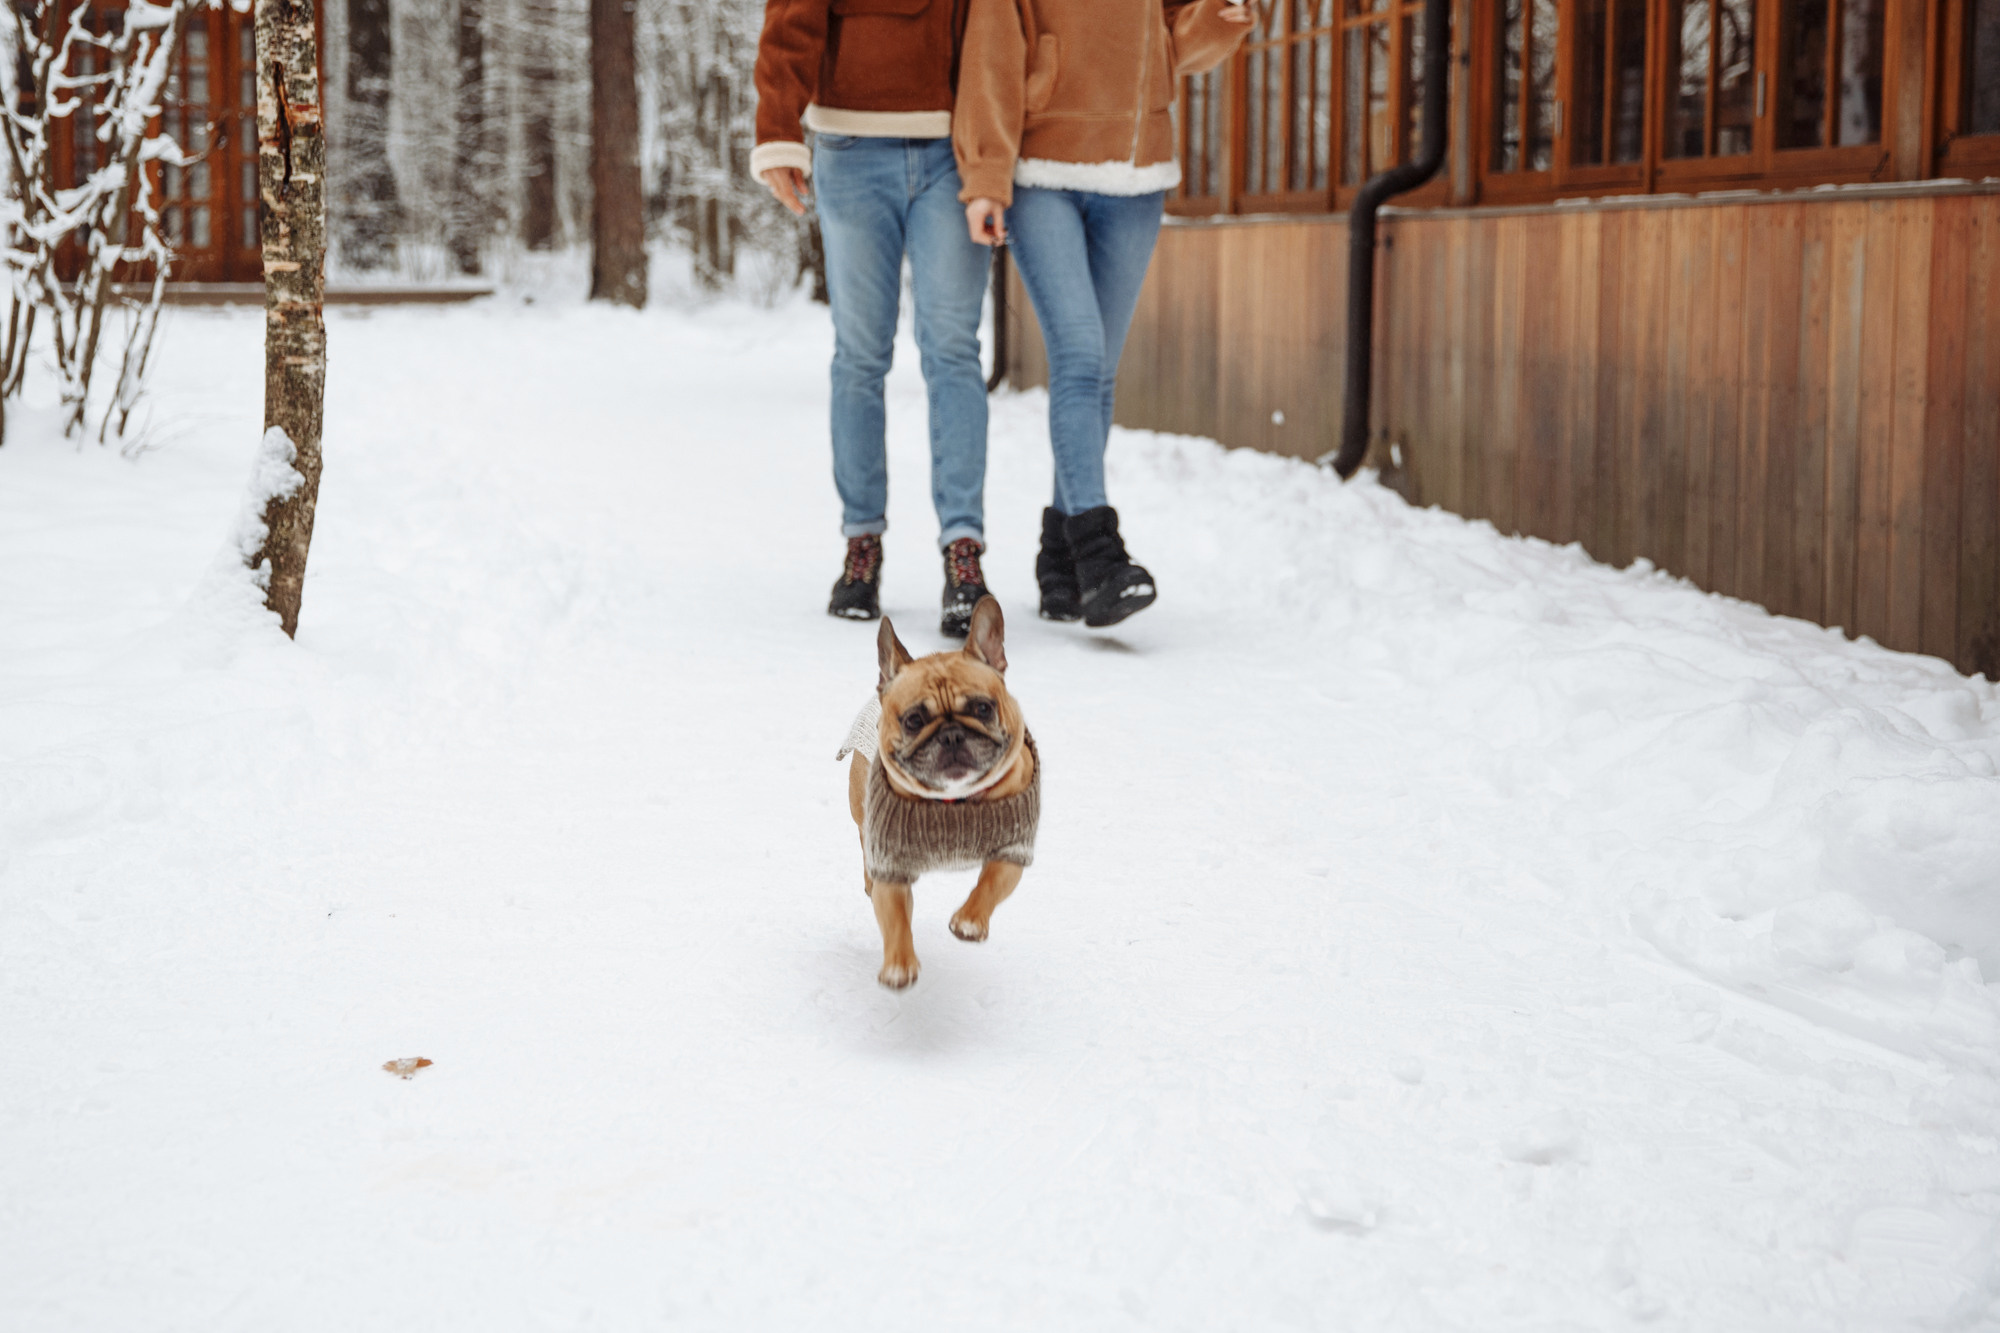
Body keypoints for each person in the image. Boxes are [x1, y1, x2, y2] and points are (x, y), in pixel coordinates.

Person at [952, 0, 1252, 628]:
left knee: (1100, 368)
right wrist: (986, 174)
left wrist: (1223, 18)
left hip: (1138, 174)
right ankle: (1097, 548)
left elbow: (1174, 41)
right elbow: (992, 56)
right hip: (1042, 169)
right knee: (1081, 354)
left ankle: (1058, 555)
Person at [752, 0, 996, 639]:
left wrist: (1001, 139)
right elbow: (791, 20)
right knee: (860, 354)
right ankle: (862, 545)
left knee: (952, 348)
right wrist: (779, 129)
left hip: (954, 144)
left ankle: (963, 553)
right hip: (850, 146)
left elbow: (1000, 23)